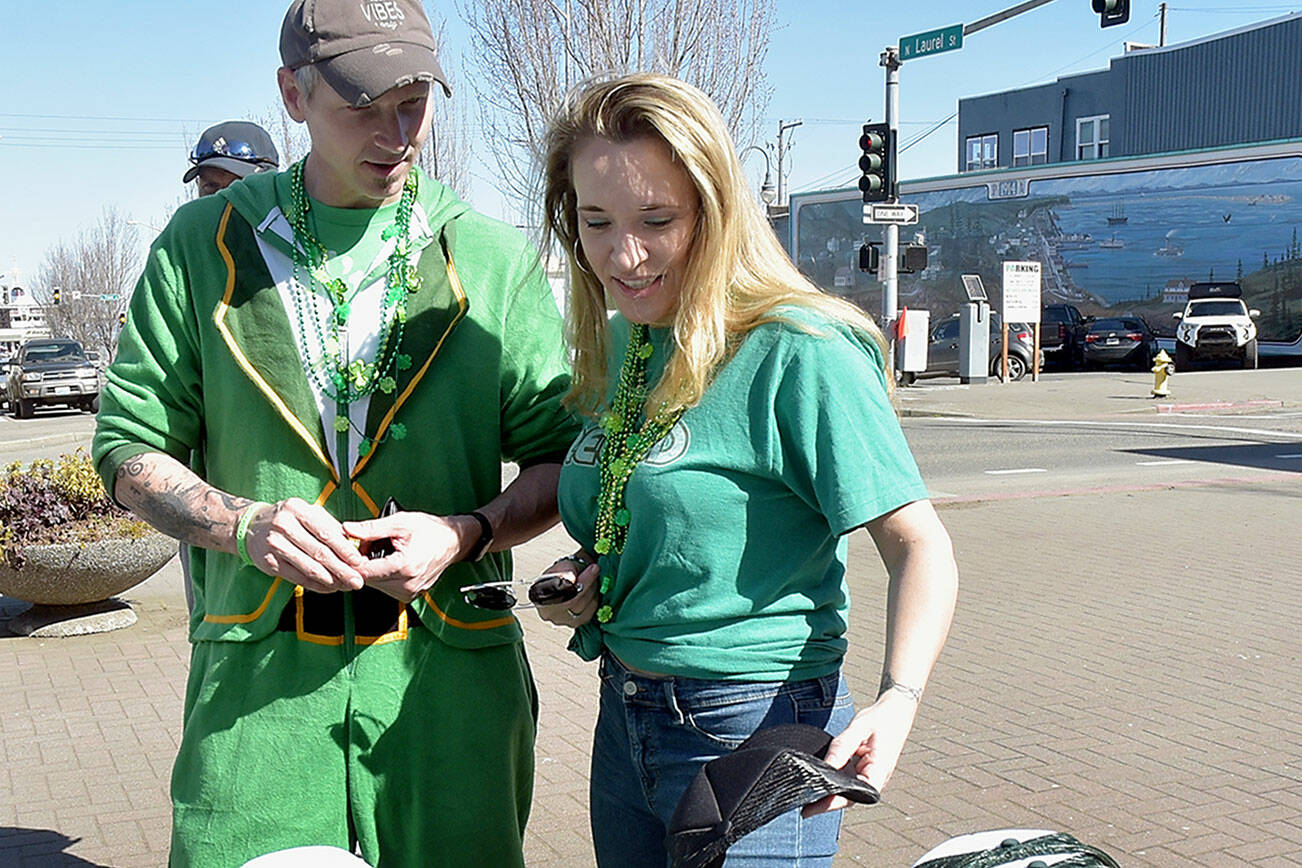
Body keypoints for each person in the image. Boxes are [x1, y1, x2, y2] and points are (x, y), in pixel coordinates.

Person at [92, 1, 577, 865]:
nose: (398, 134)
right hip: (257, 686)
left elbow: (556, 458)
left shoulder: (492, 258)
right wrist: (244, 524)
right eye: (362, 105)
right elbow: (128, 448)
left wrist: (465, 533)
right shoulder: (201, 246)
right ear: (292, 92)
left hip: (449, 683)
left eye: (415, 100)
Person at [534, 73, 959, 867]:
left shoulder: (800, 349)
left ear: (716, 210)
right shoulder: (625, 341)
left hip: (750, 724)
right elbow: (661, 509)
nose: (624, 256)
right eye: (597, 222)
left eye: (657, 220)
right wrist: (593, 573)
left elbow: (919, 547)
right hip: (624, 713)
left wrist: (897, 702)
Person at [183, 120, 280, 197]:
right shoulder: (189, 220)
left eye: (236, 186)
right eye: (211, 187)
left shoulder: (289, 218)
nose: (221, 196)